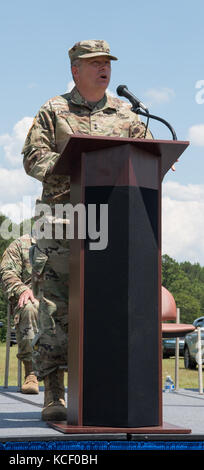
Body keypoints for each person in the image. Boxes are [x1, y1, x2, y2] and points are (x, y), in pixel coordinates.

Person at [22, 40, 153, 421]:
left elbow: (146, 151)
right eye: (94, 63)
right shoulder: (53, 110)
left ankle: (101, 390)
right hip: (61, 221)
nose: (103, 68)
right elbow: (33, 157)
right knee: (56, 308)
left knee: (106, 307)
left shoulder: (126, 114)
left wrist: (157, 163)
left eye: (106, 63)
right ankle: (53, 393)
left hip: (112, 224)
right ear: (75, 70)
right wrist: (76, 164)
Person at [0, 234, 39, 394]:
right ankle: (31, 372)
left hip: (65, 300)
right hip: (31, 298)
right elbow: (7, 273)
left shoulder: (71, 244)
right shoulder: (20, 245)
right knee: (30, 307)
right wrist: (23, 289)